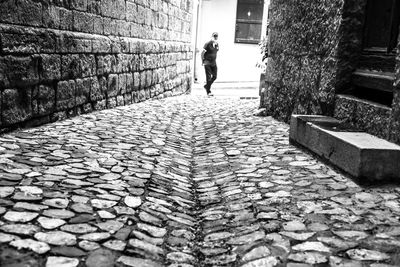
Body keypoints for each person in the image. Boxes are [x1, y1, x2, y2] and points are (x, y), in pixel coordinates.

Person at [201, 32, 219, 96]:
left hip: (213, 62)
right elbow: (202, 53)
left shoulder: (217, 44)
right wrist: (202, 61)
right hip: (207, 62)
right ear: (212, 36)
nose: (215, 37)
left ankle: (206, 86)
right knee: (208, 77)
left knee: (215, 76)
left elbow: (215, 52)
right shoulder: (208, 44)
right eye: (214, 36)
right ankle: (208, 92)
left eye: (216, 36)